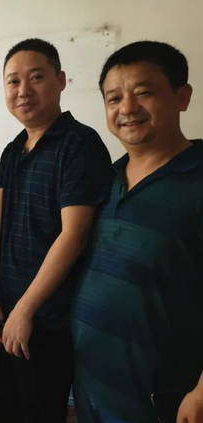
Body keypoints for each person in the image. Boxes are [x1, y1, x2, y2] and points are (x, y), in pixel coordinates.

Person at [0, 38, 113, 423]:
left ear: (61, 80)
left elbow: (74, 234)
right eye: (13, 81)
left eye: (36, 78)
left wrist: (26, 308)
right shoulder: (13, 149)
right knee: (8, 412)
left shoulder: (79, 144)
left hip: (47, 320)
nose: (23, 91)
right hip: (5, 316)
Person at [71, 41, 203, 423]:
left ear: (182, 97)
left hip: (166, 399)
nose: (127, 108)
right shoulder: (105, 180)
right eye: (114, 98)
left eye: (143, 93)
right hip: (93, 389)